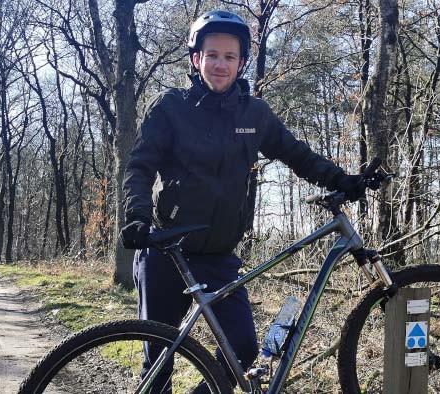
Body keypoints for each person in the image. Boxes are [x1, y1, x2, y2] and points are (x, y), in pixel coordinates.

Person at [119, 10, 364, 393]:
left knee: (243, 351)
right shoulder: (170, 108)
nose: (220, 64)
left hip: (220, 255)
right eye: (211, 54)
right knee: (159, 360)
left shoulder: (254, 115)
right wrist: (136, 215)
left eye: (229, 56)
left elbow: (296, 155)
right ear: (196, 58)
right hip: (167, 250)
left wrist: (341, 179)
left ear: (241, 62)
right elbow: (139, 167)